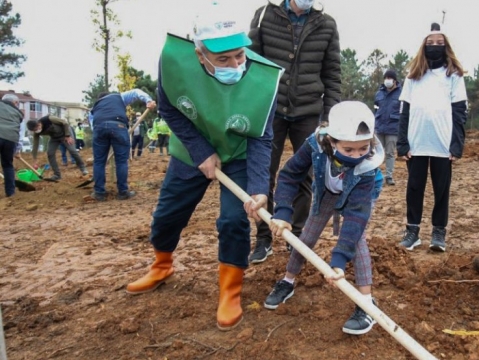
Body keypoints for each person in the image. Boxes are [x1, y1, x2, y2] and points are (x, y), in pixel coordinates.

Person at [125, 4, 282, 332]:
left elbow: (262, 139)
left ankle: (230, 291)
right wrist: (200, 151)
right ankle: (162, 265)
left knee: (233, 219)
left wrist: (258, 189)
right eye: (223, 59)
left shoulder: (265, 81)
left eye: (239, 55)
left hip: (238, 153)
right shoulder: (175, 62)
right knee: (169, 212)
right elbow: (168, 108)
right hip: (191, 149)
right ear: (200, 55)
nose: (235, 64)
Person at [264, 101, 384, 335]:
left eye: (363, 148)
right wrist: (283, 212)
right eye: (349, 150)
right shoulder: (315, 145)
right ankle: (287, 282)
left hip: (359, 191)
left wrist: (338, 261)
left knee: (357, 241)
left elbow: (356, 217)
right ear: (331, 141)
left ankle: (367, 305)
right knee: (306, 236)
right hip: (329, 189)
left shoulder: (367, 167)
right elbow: (290, 175)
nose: (357, 155)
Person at [247, 0, 341, 263]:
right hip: (270, 109)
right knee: (263, 173)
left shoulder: (327, 24)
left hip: (308, 111)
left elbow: (332, 74)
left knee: (304, 175)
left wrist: (328, 119)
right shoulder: (264, 14)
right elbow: (250, 63)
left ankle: (295, 237)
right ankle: (263, 237)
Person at [397, 23, 468, 252]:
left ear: (446, 46)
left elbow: (459, 112)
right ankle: (412, 232)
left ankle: (439, 232)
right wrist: (402, 143)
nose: (435, 47)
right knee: (414, 188)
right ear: (423, 46)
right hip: (416, 143)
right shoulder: (413, 76)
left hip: (442, 143)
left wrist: (456, 145)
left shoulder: (454, 75)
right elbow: (404, 111)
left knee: (441, 189)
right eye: (430, 43)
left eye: (439, 43)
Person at [89, 90, 155, 201]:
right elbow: (136, 92)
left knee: (99, 161)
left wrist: (103, 131)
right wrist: (148, 100)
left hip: (99, 128)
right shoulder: (118, 97)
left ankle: (99, 192)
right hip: (118, 126)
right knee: (121, 161)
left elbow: (92, 125)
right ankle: (123, 192)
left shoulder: (95, 107)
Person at [27, 115, 88, 181]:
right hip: (54, 138)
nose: (37, 130)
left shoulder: (49, 119)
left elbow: (65, 123)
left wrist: (67, 135)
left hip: (65, 134)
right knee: (50, 153)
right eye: (34, 130)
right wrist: (34, 159)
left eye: (37, 128)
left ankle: (83, 168)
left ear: (38, 123)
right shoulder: (36, 133)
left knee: (72, 150)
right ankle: (57, 175)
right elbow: (35, 145)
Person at [374, 69, 401, 186]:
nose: (387, 80)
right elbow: (375, 109)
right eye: (386, 78)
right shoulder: (379, 93)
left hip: (393, 129)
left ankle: (389, 176)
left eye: (390, 78)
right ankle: (375, 176)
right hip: (379, 128)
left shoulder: (401, 93)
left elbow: (403, 112)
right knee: (376, 153)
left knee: (390, 153)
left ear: (395, 80)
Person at [0, 93, 23, 197]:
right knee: (8, 165)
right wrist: (17, 150)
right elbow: (20, 133)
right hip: (11, 140)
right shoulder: (18, 114)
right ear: (15, 103)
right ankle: (10, 193)